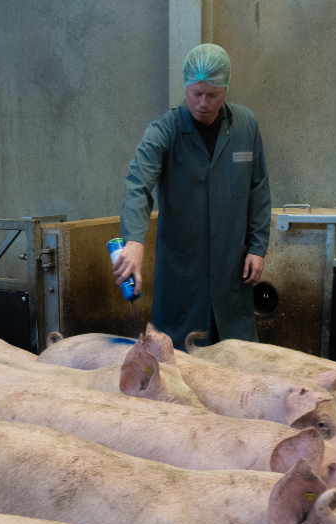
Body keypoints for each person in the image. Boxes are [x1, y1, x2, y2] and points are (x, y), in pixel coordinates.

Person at [113, 43, 271, 350]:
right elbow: (138, 184)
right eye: (195, 93)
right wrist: (134, 240)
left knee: (236, 359)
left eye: (213, 95)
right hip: (183, 274)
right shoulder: (164, 131)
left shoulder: (246, 126)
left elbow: (258, 188)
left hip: (232, 269)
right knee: (178, 362)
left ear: (226, 89)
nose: (203, 103)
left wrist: (258, 246)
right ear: (185, 86)